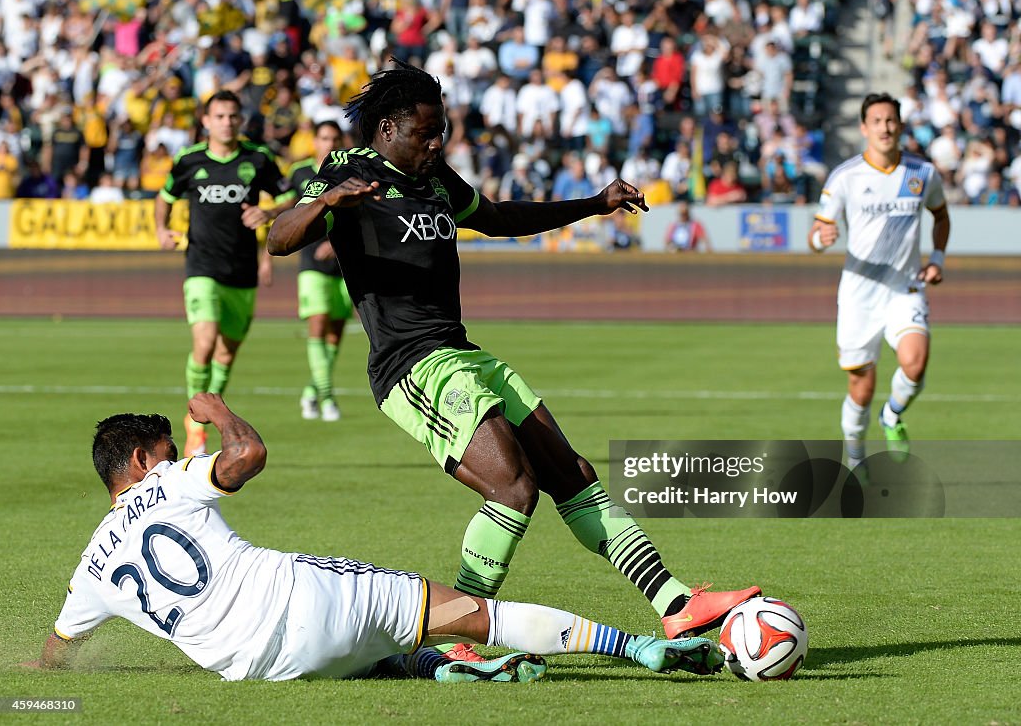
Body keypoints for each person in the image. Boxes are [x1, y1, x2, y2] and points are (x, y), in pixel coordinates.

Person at [268, 60, 759, 660]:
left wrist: (593, 204)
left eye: (441, 130)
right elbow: (279, 237)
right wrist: (326, 205)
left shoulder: (434, 179)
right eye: (426, 131)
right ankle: (455, 639)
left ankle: (676, 604)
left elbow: (498, 218)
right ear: (390, 124)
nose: (436, 141)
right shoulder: (349, 169)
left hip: (462, 354)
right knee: (513, 488)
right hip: (411, 365)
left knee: (570, 474)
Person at [24, 394, 724, 684]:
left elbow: (57, 652)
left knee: (372, 648)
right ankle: (641, 647)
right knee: (479, 616)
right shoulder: (169, 482)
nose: (179, 454)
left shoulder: (91, 566)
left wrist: (36, 683)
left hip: (270, 669)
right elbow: (249, 457)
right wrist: (220, 411)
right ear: (143, 461)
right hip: (305, 596)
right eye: (169, 447)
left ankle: (444, 671)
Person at [808, 93, 950, 474]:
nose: (885, 128)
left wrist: (936, 259)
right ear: (864, 128)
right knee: (861, 387)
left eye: (891, 121)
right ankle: (855, 458)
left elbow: (941, 215)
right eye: (877, 121)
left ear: (901, 126)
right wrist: (819, 240)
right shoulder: (846, 177)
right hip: (859, 295)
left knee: (915, 364)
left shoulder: (922, 174)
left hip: (905, 288)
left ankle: (892, 415)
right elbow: (818, 230)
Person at [155, 90, 297, 457]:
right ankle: (194, 421)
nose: (227, 122)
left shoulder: (258, 158)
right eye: (219, 116)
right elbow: (165, 197)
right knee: (204, 342)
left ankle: (208, 407)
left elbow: (293, 195)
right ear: (205, 121)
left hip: (242, 270)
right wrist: (161, 228)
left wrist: (268, 213)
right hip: (201, 265)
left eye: (233, 116)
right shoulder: (188, 160)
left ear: (241, 120)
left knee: (226, 352)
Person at [288, 121, 352, 422]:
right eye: (324, 138)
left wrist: (339, 246)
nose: (329, 143)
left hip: (345, 264)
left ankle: (312, 392)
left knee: (335, 336)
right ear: (314, 141)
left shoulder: (352, 172)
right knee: (318, 324)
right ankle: (327, 398)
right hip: (311, 263)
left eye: (335, 138)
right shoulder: (300, 173)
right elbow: (287, 209)